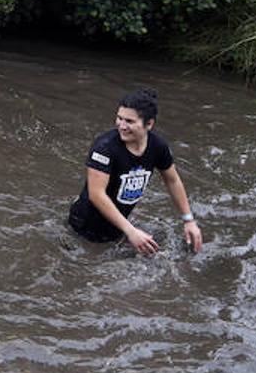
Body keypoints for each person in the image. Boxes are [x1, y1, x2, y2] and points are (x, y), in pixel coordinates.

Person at [67, 88, 204, 255]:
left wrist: (188, 220)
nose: (122, 126)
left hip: (119, 226)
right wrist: (131, 231)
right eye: (119, 118)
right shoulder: (104, 147)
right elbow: (96, 194)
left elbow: (173, 180)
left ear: (149, 124)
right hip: (84, 228)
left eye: (130, 121)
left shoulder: (157, 146)